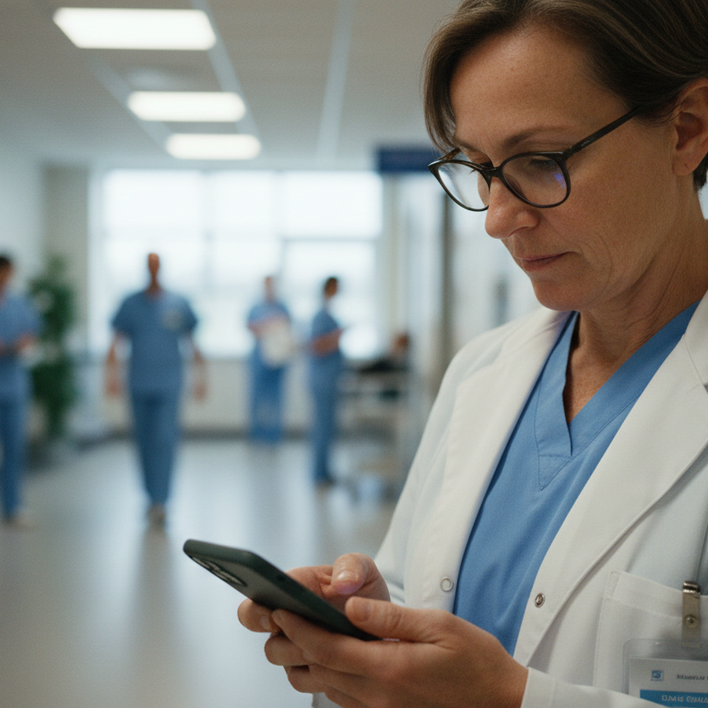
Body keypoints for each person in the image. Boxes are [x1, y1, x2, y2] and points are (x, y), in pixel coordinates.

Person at [239, 0, 708, 706]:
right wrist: (373, 630)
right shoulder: (483, 374)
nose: (496, 217)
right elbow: (418, 589)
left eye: (541, 161)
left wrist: (511, 700)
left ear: (686, 130)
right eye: (481, 167)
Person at [106, 253, 205, 526]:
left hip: (169, 383)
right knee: (143, 442)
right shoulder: (131, 303)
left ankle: (161, 500)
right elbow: (115, 341)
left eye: (156, 265)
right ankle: (150, 497)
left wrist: (201, 376)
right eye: (148, 265)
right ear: (145, 268)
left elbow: (191, 341)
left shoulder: (178, 303)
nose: (153, 269)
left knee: (164, 439)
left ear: (161, 268)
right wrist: (110, 375)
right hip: (139, 383)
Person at [0, 256, 40, 529]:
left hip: (13, 385)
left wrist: (19, 344)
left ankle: (12, 505)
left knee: (14, 449)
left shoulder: (19, 305)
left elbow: (31, 335)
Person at [246, 276, 293, 443]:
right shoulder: (256, 307)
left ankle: (274, 436)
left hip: (279, 359)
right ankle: (257, 435)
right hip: (259, 359)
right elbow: (250, 327)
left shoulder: (282, 307)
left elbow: (289, 328)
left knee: (277, 399)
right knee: (257, 399)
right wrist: (268, 324)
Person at [308, 276, 343, 486]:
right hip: (323, 381)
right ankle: (319, 474)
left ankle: (324, 472)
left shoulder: (327, 314)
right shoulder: (321, 316)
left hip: (328, 379)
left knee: (327, 429)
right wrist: (337, 337)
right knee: (322, 429)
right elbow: (317, 346)